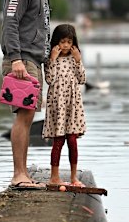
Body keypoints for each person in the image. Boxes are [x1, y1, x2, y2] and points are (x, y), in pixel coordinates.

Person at [1, 0, 61, 189]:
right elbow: (10, 23)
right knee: (23, 119)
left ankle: (23, 174)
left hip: (32, 61)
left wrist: (48, 60)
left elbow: (40, 28)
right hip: (21, 61)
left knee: (27, 117)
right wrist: (15, 58)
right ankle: (19, 176)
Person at [42, 24, 86, 187]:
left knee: (72, 141)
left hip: (73, 106)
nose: (66, 45)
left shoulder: (75, 59)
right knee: (58, 141)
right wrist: (52, 59)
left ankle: (74, 177)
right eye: (62, 42)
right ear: (56, 42)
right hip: (57, 105)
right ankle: (54, 177)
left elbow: (82, 79)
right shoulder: (51, 59)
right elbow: (49, 79)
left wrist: (78, 60)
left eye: (69, 42)